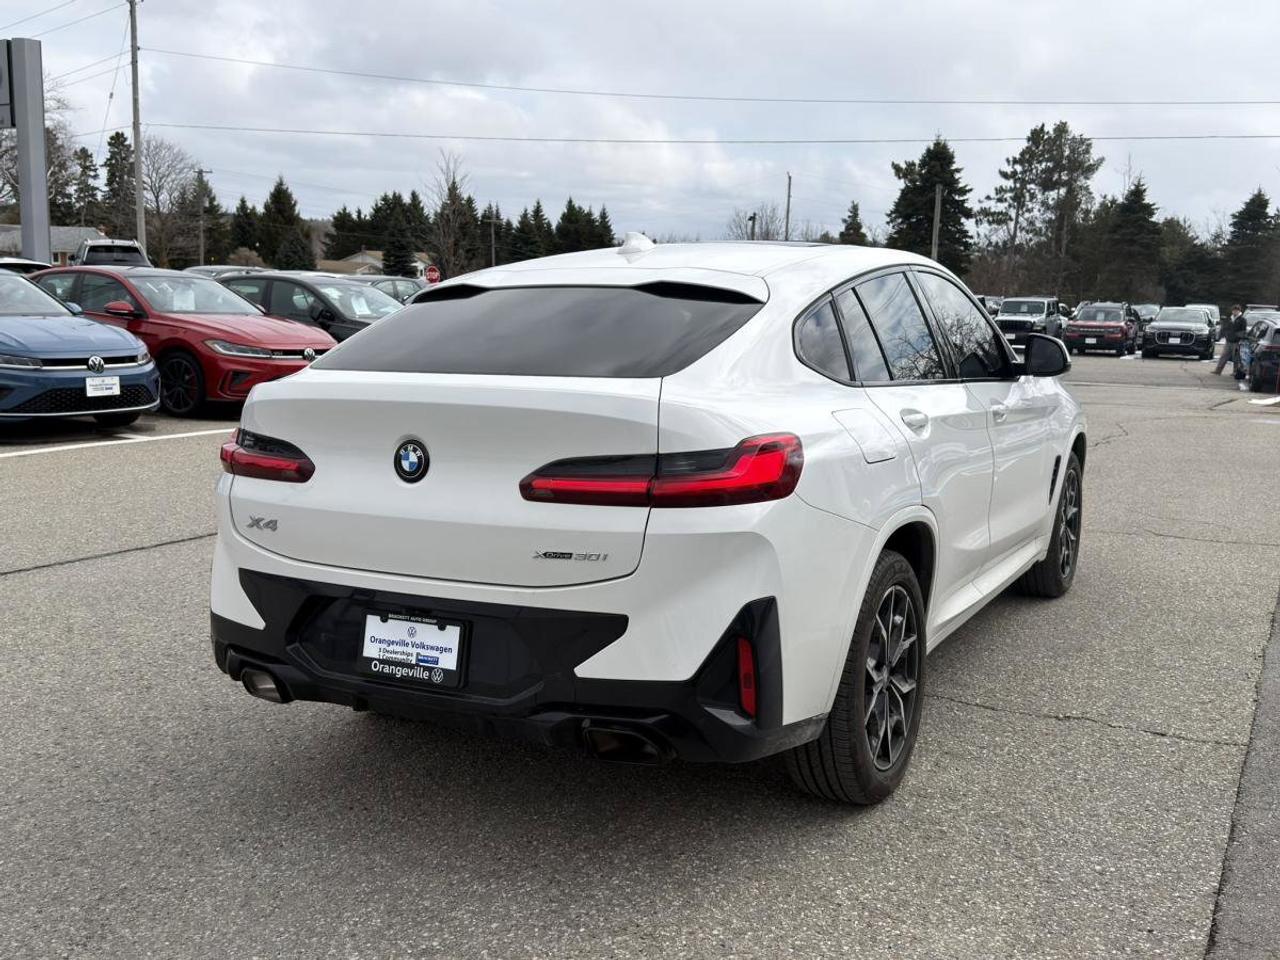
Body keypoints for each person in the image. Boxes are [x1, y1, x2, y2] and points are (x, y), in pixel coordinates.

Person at [1214, 304, 1246, 377]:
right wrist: (1225, 335)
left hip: (1236, 342)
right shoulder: (1230, 319)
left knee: (1236, 358)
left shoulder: (1242, 320)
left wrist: (1238, 337)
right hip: (1228, 341)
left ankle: (1235, 371)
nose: (1235, 312)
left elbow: (1243, 331)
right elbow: (1225, 328)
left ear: (1239, 311)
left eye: (1236, 310)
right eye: (1234, 310)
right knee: (1223, 356)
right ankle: (1218, 370)